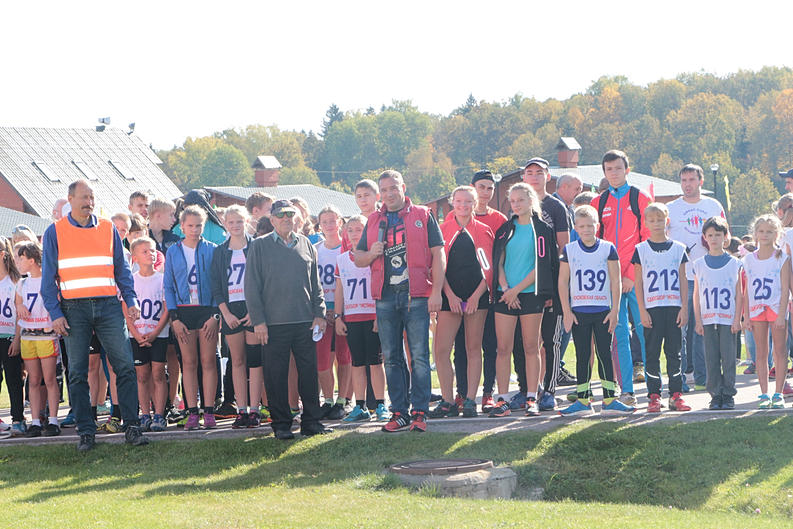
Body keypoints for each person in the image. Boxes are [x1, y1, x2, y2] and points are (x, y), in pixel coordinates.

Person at [40, 179, 147, 451]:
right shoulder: (55, 232)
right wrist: (55, 313)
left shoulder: (108, 228)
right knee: (77, 373)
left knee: (124, 366)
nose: (89, 202)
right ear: (70, 199)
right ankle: (86, 432)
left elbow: (122, 270)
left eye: (92, 197)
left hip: (109, 306)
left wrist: (131, 300)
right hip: (73, 310)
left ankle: (132, 427)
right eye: (84, 197)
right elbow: (47, 280)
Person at [355, 170, 445, 433]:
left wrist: (436, 292)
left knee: (419, 356)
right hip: (385, 297)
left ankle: (420, 411)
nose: (389, 194)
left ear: (403, 188)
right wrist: (371, 254)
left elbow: (438, 254)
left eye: (393, 188)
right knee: (392, 358)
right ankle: (399, 412)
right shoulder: (374, 220)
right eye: (384, 190)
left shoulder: (423, 215)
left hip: (416, 295)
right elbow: (358, 258)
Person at [244, 199, 331, 440]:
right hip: (273, 324)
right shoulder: (259, 246)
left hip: (305, 322)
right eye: (281, 215)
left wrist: (319, 313)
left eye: (290, 214)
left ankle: (311, 422)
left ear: (296, 218)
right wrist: (258, 321)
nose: (286, 218)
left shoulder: (305, 243)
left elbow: (315, 283)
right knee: (276, 376)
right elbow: (251, 286)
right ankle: (281, 424)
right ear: (272, 219)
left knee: (309, 374)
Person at [558, 205, 633, 416]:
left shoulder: (608, 248)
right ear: (575, 227)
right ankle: (583, 401)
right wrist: (567, 311)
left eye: (590, 225)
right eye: (581, 226)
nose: (586, 229)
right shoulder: (570, 250)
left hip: (602, 310)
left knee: (604, 354)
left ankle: (609, 400)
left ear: (597, 226)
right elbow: (562, 282)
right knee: (583, 355)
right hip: (579, 311)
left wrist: (615, 309)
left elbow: (616, 281)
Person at [489, 183, 557, 418]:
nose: (516, 204)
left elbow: (542, 265)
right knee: (503, 348)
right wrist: (507, 289)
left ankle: (531, 397)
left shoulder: (542, 230)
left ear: (531, 200)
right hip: (505, 295)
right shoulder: (505, 229)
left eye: (521, 200)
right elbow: (498, 262)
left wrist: (517, 290)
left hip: (530, 295)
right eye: (513, 201)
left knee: (531, 346)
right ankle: (502, 399)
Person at [590, 150, 651, 406]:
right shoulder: (598, 202)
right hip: (610, 281)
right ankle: (627, 391)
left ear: (627, 169)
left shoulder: (640, 197)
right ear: (604, 172)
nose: (613, 173)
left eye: (617, 168)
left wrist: (630, 275)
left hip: (636, 278)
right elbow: (594, 243)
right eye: (609, 169)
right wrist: (611, 278)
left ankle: (655, 390)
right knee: (619, 336)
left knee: (646, 332)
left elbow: (647, 239)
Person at [429, 186, 493, 418]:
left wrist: (475, 297)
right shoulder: (443, 229)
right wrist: (449, 295)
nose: (463, 205)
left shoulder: (483, 230)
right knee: (441, 350)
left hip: (477, 296)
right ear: (452, 203)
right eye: (459, 201)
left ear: (475, 204)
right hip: (450, 296)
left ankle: (470, 400)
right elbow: (438, 266)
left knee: (473, 348)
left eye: (468, 201)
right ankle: (447, 400)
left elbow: (489, 268)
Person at [666, 164, 725, 391]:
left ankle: (703, 377)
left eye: (691, 179)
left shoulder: (713, 205)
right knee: (680, 328)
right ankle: (679, 379)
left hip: (708, 275)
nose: (687, 184)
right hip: (680, 276)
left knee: (704, 328)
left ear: (701, 181)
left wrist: (711, 242)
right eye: (683, 180)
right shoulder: (671, 208)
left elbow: (727, 237)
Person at [164, 205, 220, 430]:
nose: (194, 230)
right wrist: (174, 318)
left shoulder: (212, 249)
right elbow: (168, 286)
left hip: (207, 311)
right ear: (182, 226)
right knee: (188, 363)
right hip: (183, 312)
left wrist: (215, 315)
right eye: (190, 226)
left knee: (208, 361)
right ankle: (192, 412)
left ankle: (209, 411)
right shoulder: (173, 251)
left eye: (199, 226)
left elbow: (218, 284)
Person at [521, 157, 569, 412]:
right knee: (528, 341)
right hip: (524, 283)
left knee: (550, 339)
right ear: (524, 177)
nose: (534, 177)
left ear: (547, 176)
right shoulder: (518, 204)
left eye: (539, 172)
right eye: (530, 172)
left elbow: (564, 248)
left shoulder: (556, 206)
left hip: (550, 283)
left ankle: (549, 389)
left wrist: (555, 284)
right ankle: (529, 389)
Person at [633, 203, 691, 413]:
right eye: (652, 220)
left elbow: (683, 280)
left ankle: (676, 394)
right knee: (652, 353)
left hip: (673, 307)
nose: (656, 223)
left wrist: (684, 307)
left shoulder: (678, 248)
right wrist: (642, 310)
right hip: (652, 308)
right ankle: (654, 395)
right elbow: (638, 282)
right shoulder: (641, 250)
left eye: (660, 219)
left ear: (667, 221)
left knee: (674, 353)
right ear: (645, 223)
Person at [334, 215, 389, 422]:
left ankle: (381, 404)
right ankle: (360, 405)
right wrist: (338, 317)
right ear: (345, 234)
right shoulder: (341, 260)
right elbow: (339, 290)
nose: (355, 234)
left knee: (375, 361)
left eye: (359, 229)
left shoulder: (374, 257)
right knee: (356, 362)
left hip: (372, 315)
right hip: (352, 317)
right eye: (351, 230)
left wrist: (379, 315)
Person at [211, 205, 261, 429]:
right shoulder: (220, 251)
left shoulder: (256, 247)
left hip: (252, 309)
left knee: (255, 360)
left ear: (247, 221)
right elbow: (216, 285)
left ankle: (255, 409)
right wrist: (225, 313)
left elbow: (263, 280)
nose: (235, 225)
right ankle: (241, 410)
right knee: (237, 360)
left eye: (239, 221)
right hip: (231, 310)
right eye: (231, 222)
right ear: (225, 223)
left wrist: (255, 310)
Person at [692, 216, 743, 410]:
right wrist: (698, 320)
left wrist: (737, 318)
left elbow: (739, 294)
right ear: (704, 237)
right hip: (707, 318)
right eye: (710, 235)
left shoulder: (734, 263)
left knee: (728, 358)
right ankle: (715, 394)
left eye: (718, 235)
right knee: (711, 358)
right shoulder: (699, 264)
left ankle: (728, 394)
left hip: (727, 318)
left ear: (725, 236)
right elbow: (696, 295)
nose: (714, 239)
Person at [742, 214, 791, 409]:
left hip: (776, 309)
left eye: (769, 232)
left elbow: (786, 288)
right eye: (761, 231)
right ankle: (764, 393)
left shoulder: (782, 258)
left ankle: (778, 393)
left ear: (777, 234)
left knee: (780, 351)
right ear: (755, 233)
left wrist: (781, 314)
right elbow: (747, 290)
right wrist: (746, 315)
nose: (765, 235)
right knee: (761, 352)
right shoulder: (748, 259)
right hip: (756, 310)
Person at [12, 242, 60, 437]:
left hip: (46, 335)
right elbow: (18, 306)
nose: (17, 262)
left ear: (32, 260)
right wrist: (19, 308)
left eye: (20, 258)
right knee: (33, 380)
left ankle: (53, 420)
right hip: (28, 336)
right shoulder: (22, 283)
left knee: (49, 379)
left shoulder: (49, 281)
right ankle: (35, 421)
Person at [126, 237, 170, 431]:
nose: (150, 254)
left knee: (158, 373)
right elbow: (125, 310)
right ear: (134, 257)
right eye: (144, 251)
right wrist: (136, 334)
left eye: (152, 250)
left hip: (158, 334)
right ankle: (145, 414)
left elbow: (167, 309)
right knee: (142, 375)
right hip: (137, 335)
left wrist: (156, 332)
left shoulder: (162, 279)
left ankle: (159, 415)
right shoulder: (130, 281)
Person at [314, 205, 352, 420]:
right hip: (321, 311)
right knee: (322, 360)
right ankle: (328, 399)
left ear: (340, 222)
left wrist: (338, 311)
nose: (329, 225)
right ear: (319, 225)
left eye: (332, 220)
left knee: (344, 356)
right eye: (324, 221)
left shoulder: (347, 249)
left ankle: (342, 400)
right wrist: (321, 310)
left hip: (344, 310)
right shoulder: (315, 249)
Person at [0, 236, 25, 436]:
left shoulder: (15, 281)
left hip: (10, 337)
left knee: (14, 379)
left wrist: (17, 339)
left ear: (2, 255)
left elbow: (19, 313)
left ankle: (18, 419)